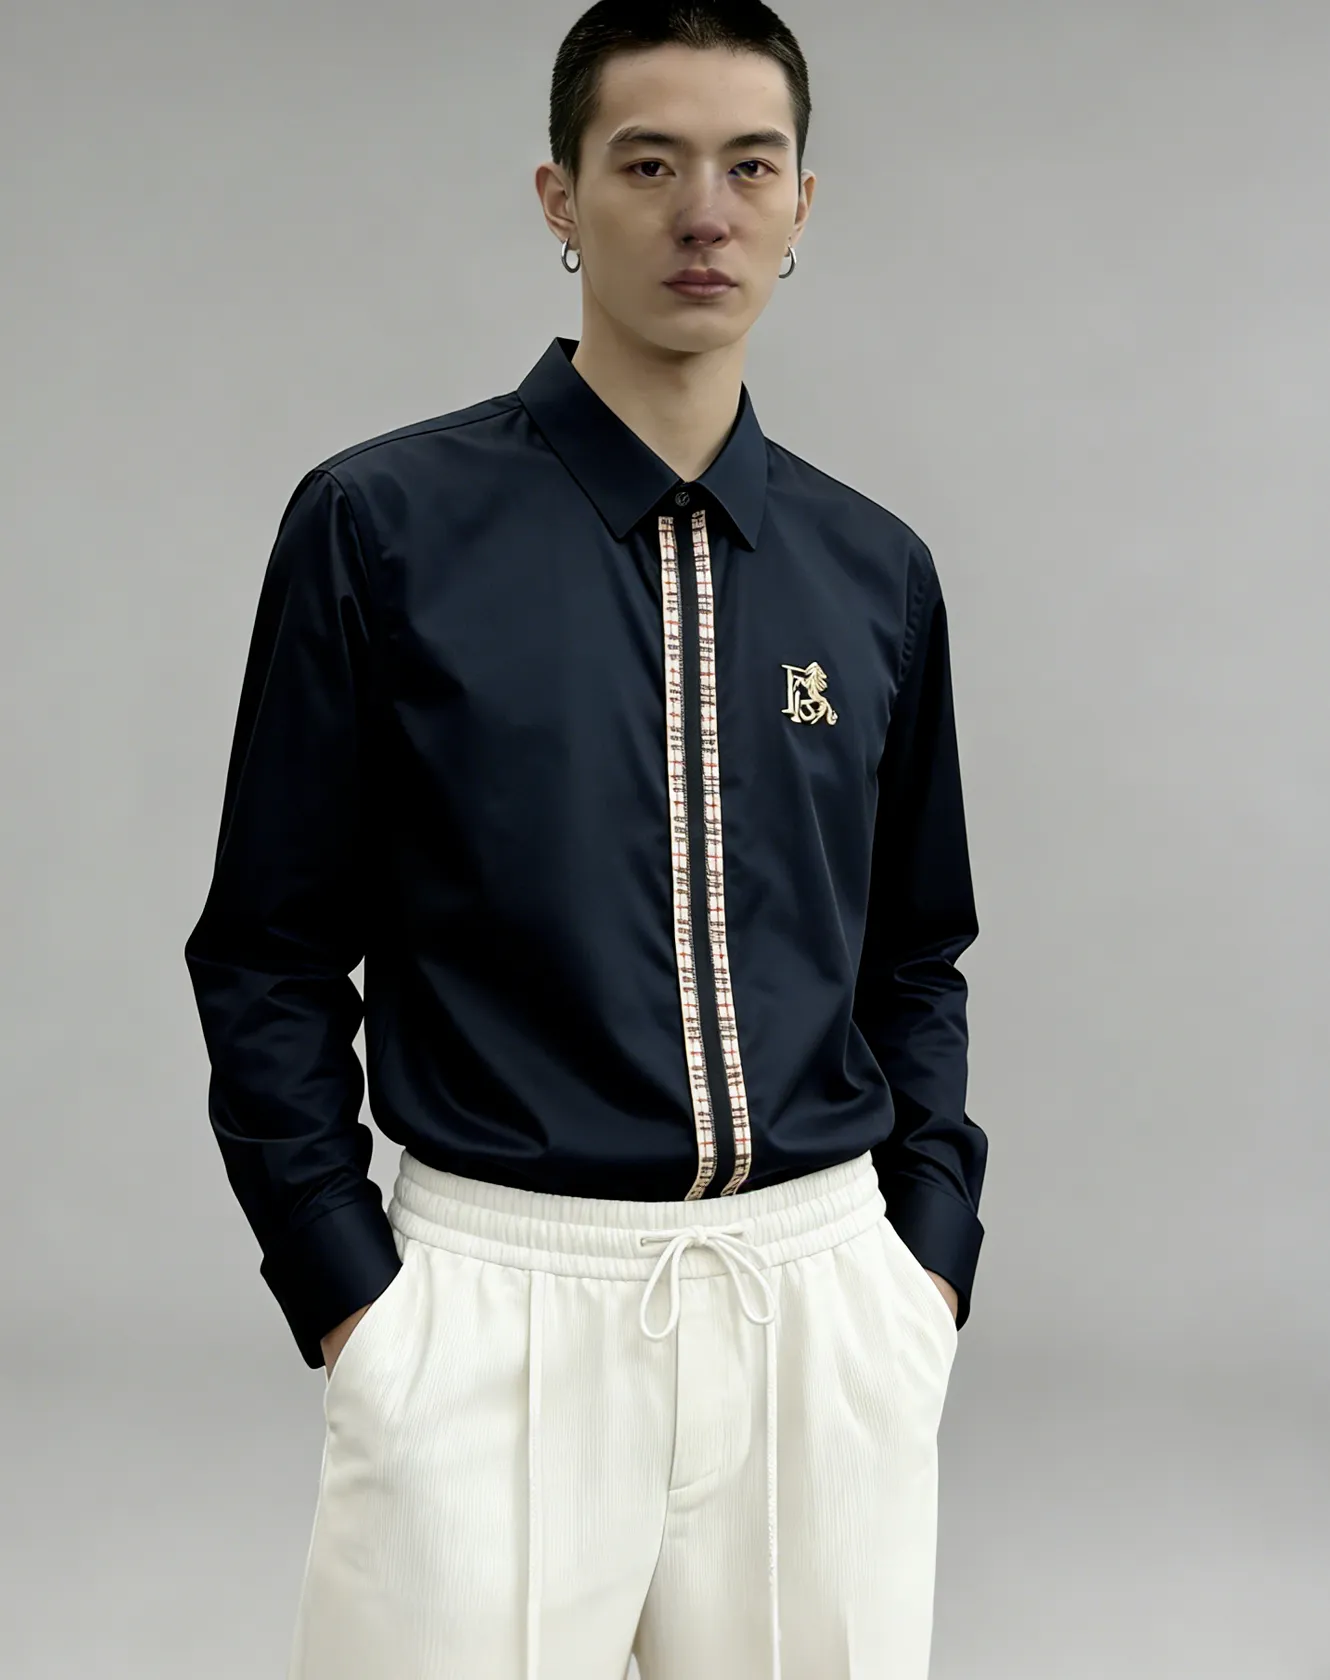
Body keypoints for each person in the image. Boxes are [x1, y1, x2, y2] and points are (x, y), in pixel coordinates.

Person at [183, 2, 988, 1676]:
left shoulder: (872, 571)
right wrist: (350, 1295)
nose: (704, 212)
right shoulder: (383, 528)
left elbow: (914, 951)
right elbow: (266, 949)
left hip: (819, 1303)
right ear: (559, 197)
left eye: (748, 166)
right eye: (648, 163)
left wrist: (923, 1259)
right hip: (492, 1302)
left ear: (801, 204)